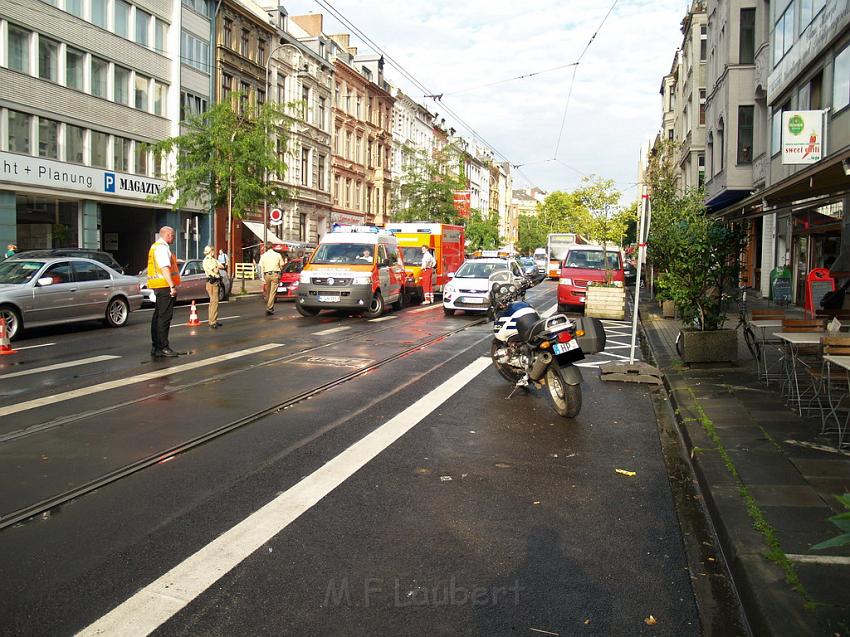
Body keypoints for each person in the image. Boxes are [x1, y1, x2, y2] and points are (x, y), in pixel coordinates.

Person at [147, 226, 181, 357]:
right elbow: (165, 268)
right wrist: (172, 286)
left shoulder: (154, 247)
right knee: (164, 317)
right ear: (167, 235)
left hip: (158, 285)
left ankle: (156, 347)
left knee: (157, 317)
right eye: (172, 235)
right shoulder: (162, 248)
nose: (173, 238)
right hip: (164, 286)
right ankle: (163, 347)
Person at [258, 242, 284, 315]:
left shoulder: (263, 256)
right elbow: (282, 265)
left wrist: (262, 277)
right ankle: (269, 308)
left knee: (268, 292)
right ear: (272, 247)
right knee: (273, 292)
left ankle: (269, 306)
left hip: (267, 275)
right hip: (275, 274)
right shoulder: (277, 255)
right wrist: (280, 271)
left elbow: (260, 267)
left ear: (266, 248)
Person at [203, 245, 224, 329]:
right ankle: (212, 321)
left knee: (214, 302)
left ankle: (213, 320)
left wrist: (217, 266)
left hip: (216, 282)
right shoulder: (207, 260)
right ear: (210, 251)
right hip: (212, 282)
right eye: (212, 250)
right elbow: (215, 270)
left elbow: (222, 266)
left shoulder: (213, 259)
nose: (214, 251)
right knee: (214, 302)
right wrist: (216, 266)